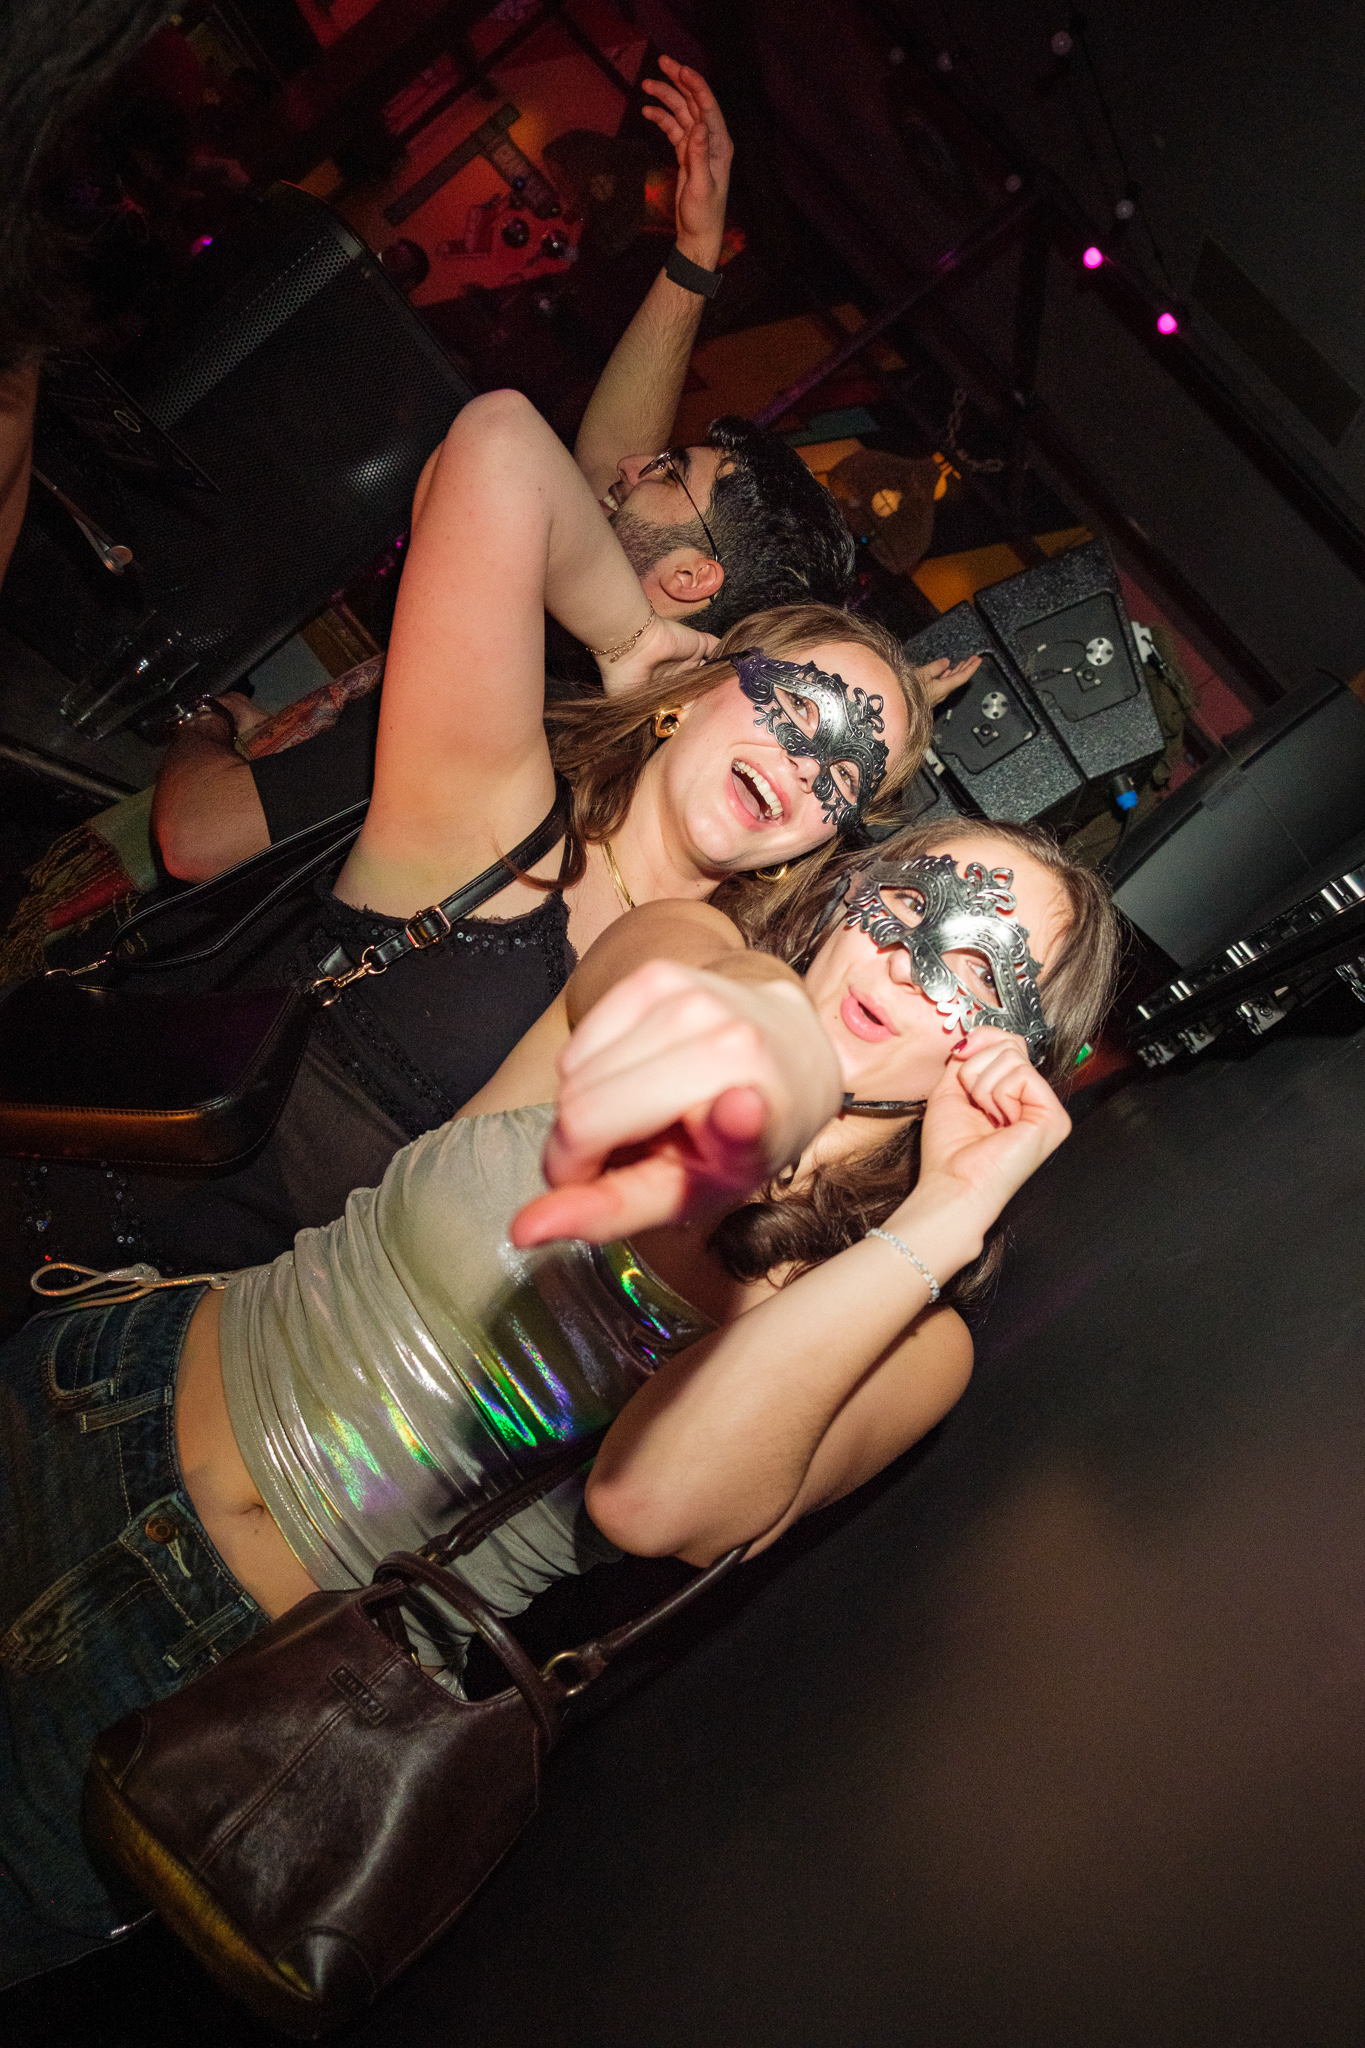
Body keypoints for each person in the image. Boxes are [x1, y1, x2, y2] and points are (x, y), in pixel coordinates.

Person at [0, 817, 1119, 1984]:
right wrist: (768, 1035)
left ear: (1015, 1057)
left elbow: (657, 1502)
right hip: (91, 1379)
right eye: (910, 901)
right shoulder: (690, 966)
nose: (906, 957)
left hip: (196, 1662)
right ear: (849, 890)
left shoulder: (914, 1337)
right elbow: (668, 962)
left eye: (978, 967)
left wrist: (948, 1211)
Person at [1, 386, 930, 1323]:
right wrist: (634, 635)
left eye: (847, 775)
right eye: (797, 707)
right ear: (693, 693)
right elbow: (500, 445)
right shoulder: (491, 809)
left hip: (254, 1372)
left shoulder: (725, 992)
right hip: (64, 1250)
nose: (807, 764)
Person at [150, 58, 952, 885]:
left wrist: (207, 721)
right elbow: (604, 459)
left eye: (668, 471)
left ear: (689, 577)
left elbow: (199, 835)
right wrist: (693, 254)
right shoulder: (587, 702)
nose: (634, 463)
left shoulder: (509, 699)